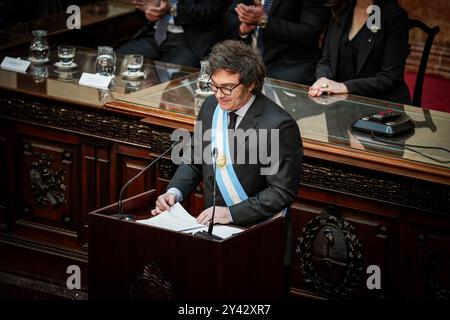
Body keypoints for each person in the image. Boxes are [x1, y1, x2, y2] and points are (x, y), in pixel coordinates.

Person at [152, 40, 303, 295]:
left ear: (251, 84)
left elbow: (281, 192)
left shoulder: (278, 125)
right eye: (214, 85)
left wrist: (230, 213)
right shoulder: (212, 107)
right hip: (215, 233)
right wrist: (174, 193)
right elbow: (195, 158)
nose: (219, 94)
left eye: (227, 88)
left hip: (260, 235)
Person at [309, 0, 411, 104]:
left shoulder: (394, 16)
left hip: (382, 105)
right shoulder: (339, 9)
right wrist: (323, 81)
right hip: (342, 103)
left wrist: (344, 87)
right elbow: (326, 60)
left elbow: (389, 77)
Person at [225, 0, 329, 85]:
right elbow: (231, 15)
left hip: (289, 71)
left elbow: (310, 33)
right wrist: (242, 29)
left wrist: (264, 20)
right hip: (249, 66)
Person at [117, 0, 228, 68]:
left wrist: (173, 9)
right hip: (154, 35)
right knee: (115, 60)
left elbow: (212, 11)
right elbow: (143, 10)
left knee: (169, 80)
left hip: (188, 41)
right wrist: (148, 12)